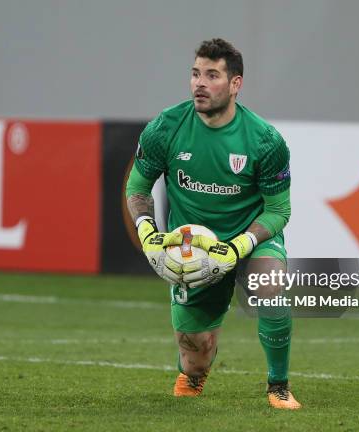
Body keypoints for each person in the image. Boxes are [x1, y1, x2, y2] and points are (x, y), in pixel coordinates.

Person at [125, 38, 300, 409]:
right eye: (195, 74)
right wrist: (148, 234)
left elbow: (278, 212)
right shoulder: (166, 127)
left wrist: (236, 247)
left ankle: (279, 386)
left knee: (272, 287)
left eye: (212, 75)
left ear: (235, 84)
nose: (199, 83)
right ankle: (193, 374)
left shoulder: (265, 141)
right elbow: (137, 187)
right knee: (195, 356)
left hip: (248, 241)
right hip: (192, 248)